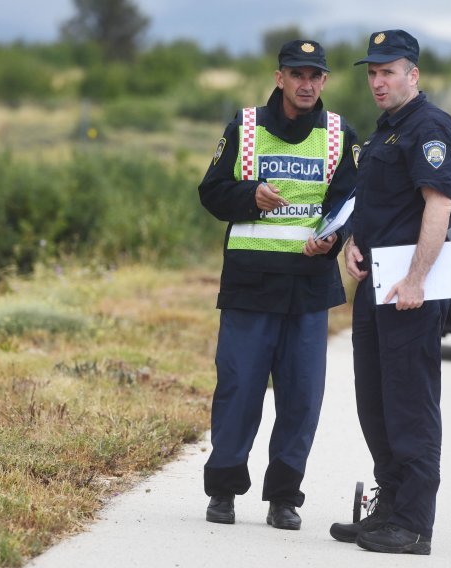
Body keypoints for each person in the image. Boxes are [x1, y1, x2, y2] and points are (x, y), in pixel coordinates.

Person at [198, 39, 359, 529]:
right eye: (297, 74)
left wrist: (330, 242)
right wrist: (250, 196)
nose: (306, 84)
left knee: (301, 398)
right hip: (250, 285)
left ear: (324, 81)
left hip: (308, 288)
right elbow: (212, 192)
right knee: (240, 389)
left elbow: (349, 204)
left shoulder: (339, 134)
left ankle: (283, 498)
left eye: (315, 75)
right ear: (280, 77)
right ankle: (223, 492)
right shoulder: (245, 127)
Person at [329, 30, 451, 555]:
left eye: (389, 71)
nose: (378, 81)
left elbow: (438, 207)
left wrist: (417, 280)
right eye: (372, 73)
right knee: (376, 403)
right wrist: (352, 244)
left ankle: (411, 525)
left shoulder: (429, 126)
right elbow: (375, 202)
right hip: (377, 281)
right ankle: (387, 509)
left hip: (411, 288)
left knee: (409, 405)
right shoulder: (387, 130)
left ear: (414, 75)